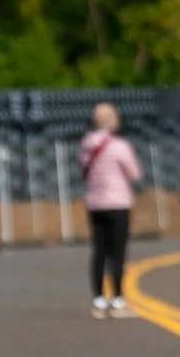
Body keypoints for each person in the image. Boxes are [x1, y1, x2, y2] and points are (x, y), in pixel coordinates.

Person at [79, 104, 143, 318]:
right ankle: (117, 300)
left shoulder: (87, 145)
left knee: (99, 251)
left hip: (95, 203)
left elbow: (83, 169)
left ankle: (98, 300)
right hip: (117, 202)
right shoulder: (119, 146)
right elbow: (134, 173)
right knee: (118, 253)